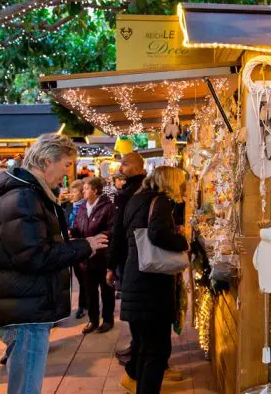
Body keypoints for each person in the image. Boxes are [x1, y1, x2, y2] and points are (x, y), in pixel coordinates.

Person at [0, 133, 108, 394]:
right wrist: (85, 246)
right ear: (44, 161)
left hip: (27, 304)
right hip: (26, 310)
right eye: (65, 165)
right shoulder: (23, 198)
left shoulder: (30, 195)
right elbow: (35, 256)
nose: (67, 174)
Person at [119, 166, 189, 394]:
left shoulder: (137, 199)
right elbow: (157, 233)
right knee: (156, 351)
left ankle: (137, 384)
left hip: (135, 280)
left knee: (143, 347)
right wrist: (182, 241)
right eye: (180, 182)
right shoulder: (160, 201)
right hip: (151, 288)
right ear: (169, 182)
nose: (182, 187)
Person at [106, 152, 146, 364]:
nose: (121, 168)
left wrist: (110, 264)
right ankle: (136, 346)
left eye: (125, 164)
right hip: (136, 255)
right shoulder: (140, 189)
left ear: (138, 169)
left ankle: (137, 351)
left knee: (133, 305)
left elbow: (119, 230)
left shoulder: (129, 192)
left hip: (132, 256)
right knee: (136, 305)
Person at [72, 176, 115, 334]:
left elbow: (111, 230)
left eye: (87, 188)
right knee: (89, 289)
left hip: (102, 256)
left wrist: (96, 239)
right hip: (86, 256)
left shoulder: (108, 207)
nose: (83, 190)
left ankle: (108, 319)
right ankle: (93, 320)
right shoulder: (82, 206)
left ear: (95, 191)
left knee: (106, 289)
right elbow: (77, 225)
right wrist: (73, 232)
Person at [66, 180, 88, 319]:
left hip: (80, 244)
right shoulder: (67, 207)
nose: (71, 194)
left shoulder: (86, 207)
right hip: (67, 245)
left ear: (81, 193)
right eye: (71, 191)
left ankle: (83, 305)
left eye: (74, 192)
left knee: (82, 277)